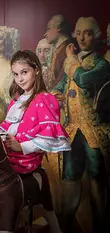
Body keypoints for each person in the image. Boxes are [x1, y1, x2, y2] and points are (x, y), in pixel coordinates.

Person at [0, 50, 71, 233]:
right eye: (16, 74)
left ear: (36, 70)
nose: (20, 79)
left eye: (24, 72)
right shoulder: (15, 102)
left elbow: (50, 137)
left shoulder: (44, 99)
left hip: (24, 160)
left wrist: (21, 146)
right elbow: (5, 128)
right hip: (7, 156)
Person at [52, 17, 110, 233]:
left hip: (94, 131)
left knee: (97, 176)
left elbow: (84, 79)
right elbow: (59, 86)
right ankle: (67, 225)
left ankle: (100, 225)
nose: (82, 37)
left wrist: (70, 61)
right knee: (70, 175)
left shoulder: (102, 64)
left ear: (96, 36)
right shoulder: (73, 61)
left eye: (87, 33)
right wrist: (56, 95)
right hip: (73, 130)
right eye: (78, 33)